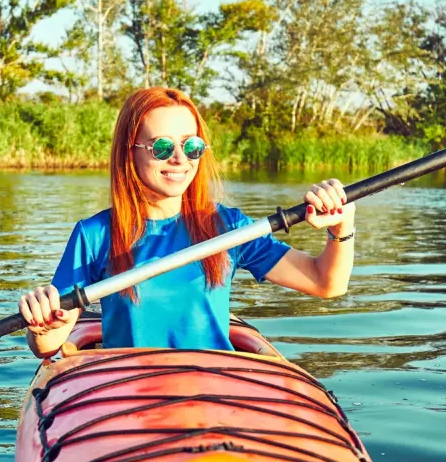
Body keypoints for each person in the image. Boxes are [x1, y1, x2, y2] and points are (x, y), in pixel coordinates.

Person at [19, 87, 355, 356]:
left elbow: (326, 283)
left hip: (211, 392)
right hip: (128, 395)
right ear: (130, 151)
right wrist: (42, 324)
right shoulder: (95, 236)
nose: (180, 159)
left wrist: (341, 229)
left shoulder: (230, 228)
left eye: (191, 145)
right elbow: (48, 345)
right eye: (162, 147)